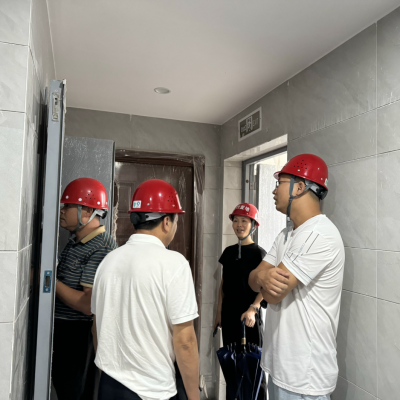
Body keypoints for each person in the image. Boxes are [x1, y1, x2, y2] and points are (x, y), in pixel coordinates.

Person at [91, 179, 200, 400]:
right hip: (153, 390)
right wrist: (194, 397)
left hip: (109, 387)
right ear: (167, 222)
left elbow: (97, 327)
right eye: (176, 220)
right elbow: (185, 341)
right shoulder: (174, 264)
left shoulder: (108, 261)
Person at [249, 154, 345, 400]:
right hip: (282, 367)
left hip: (304, 376)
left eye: (280, 183)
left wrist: (262, 278)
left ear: (299, 187)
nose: (274, 191)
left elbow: (272, 294)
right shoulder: (287, 233)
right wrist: (262, 277)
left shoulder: (318, 235)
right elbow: (252, 280)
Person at [52, 177, 117, 400]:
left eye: (68, 205)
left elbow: (88, 305)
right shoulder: (77, 241)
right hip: (65, 333)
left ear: (88, 211)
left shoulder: (102, 247)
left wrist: (47, 280)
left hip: (79, 336)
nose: (62, 210)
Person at [214, 203, 267, 400]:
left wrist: (253, 309)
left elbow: (266, 287)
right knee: (232, 368)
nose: (239, 225)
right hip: (229, 319)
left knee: (254, 371)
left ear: (253, 225)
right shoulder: (228, 252)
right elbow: (223, 285)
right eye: (236, 220)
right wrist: (218, 314)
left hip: (249, 322)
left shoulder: (259, 254)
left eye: (244, 221)